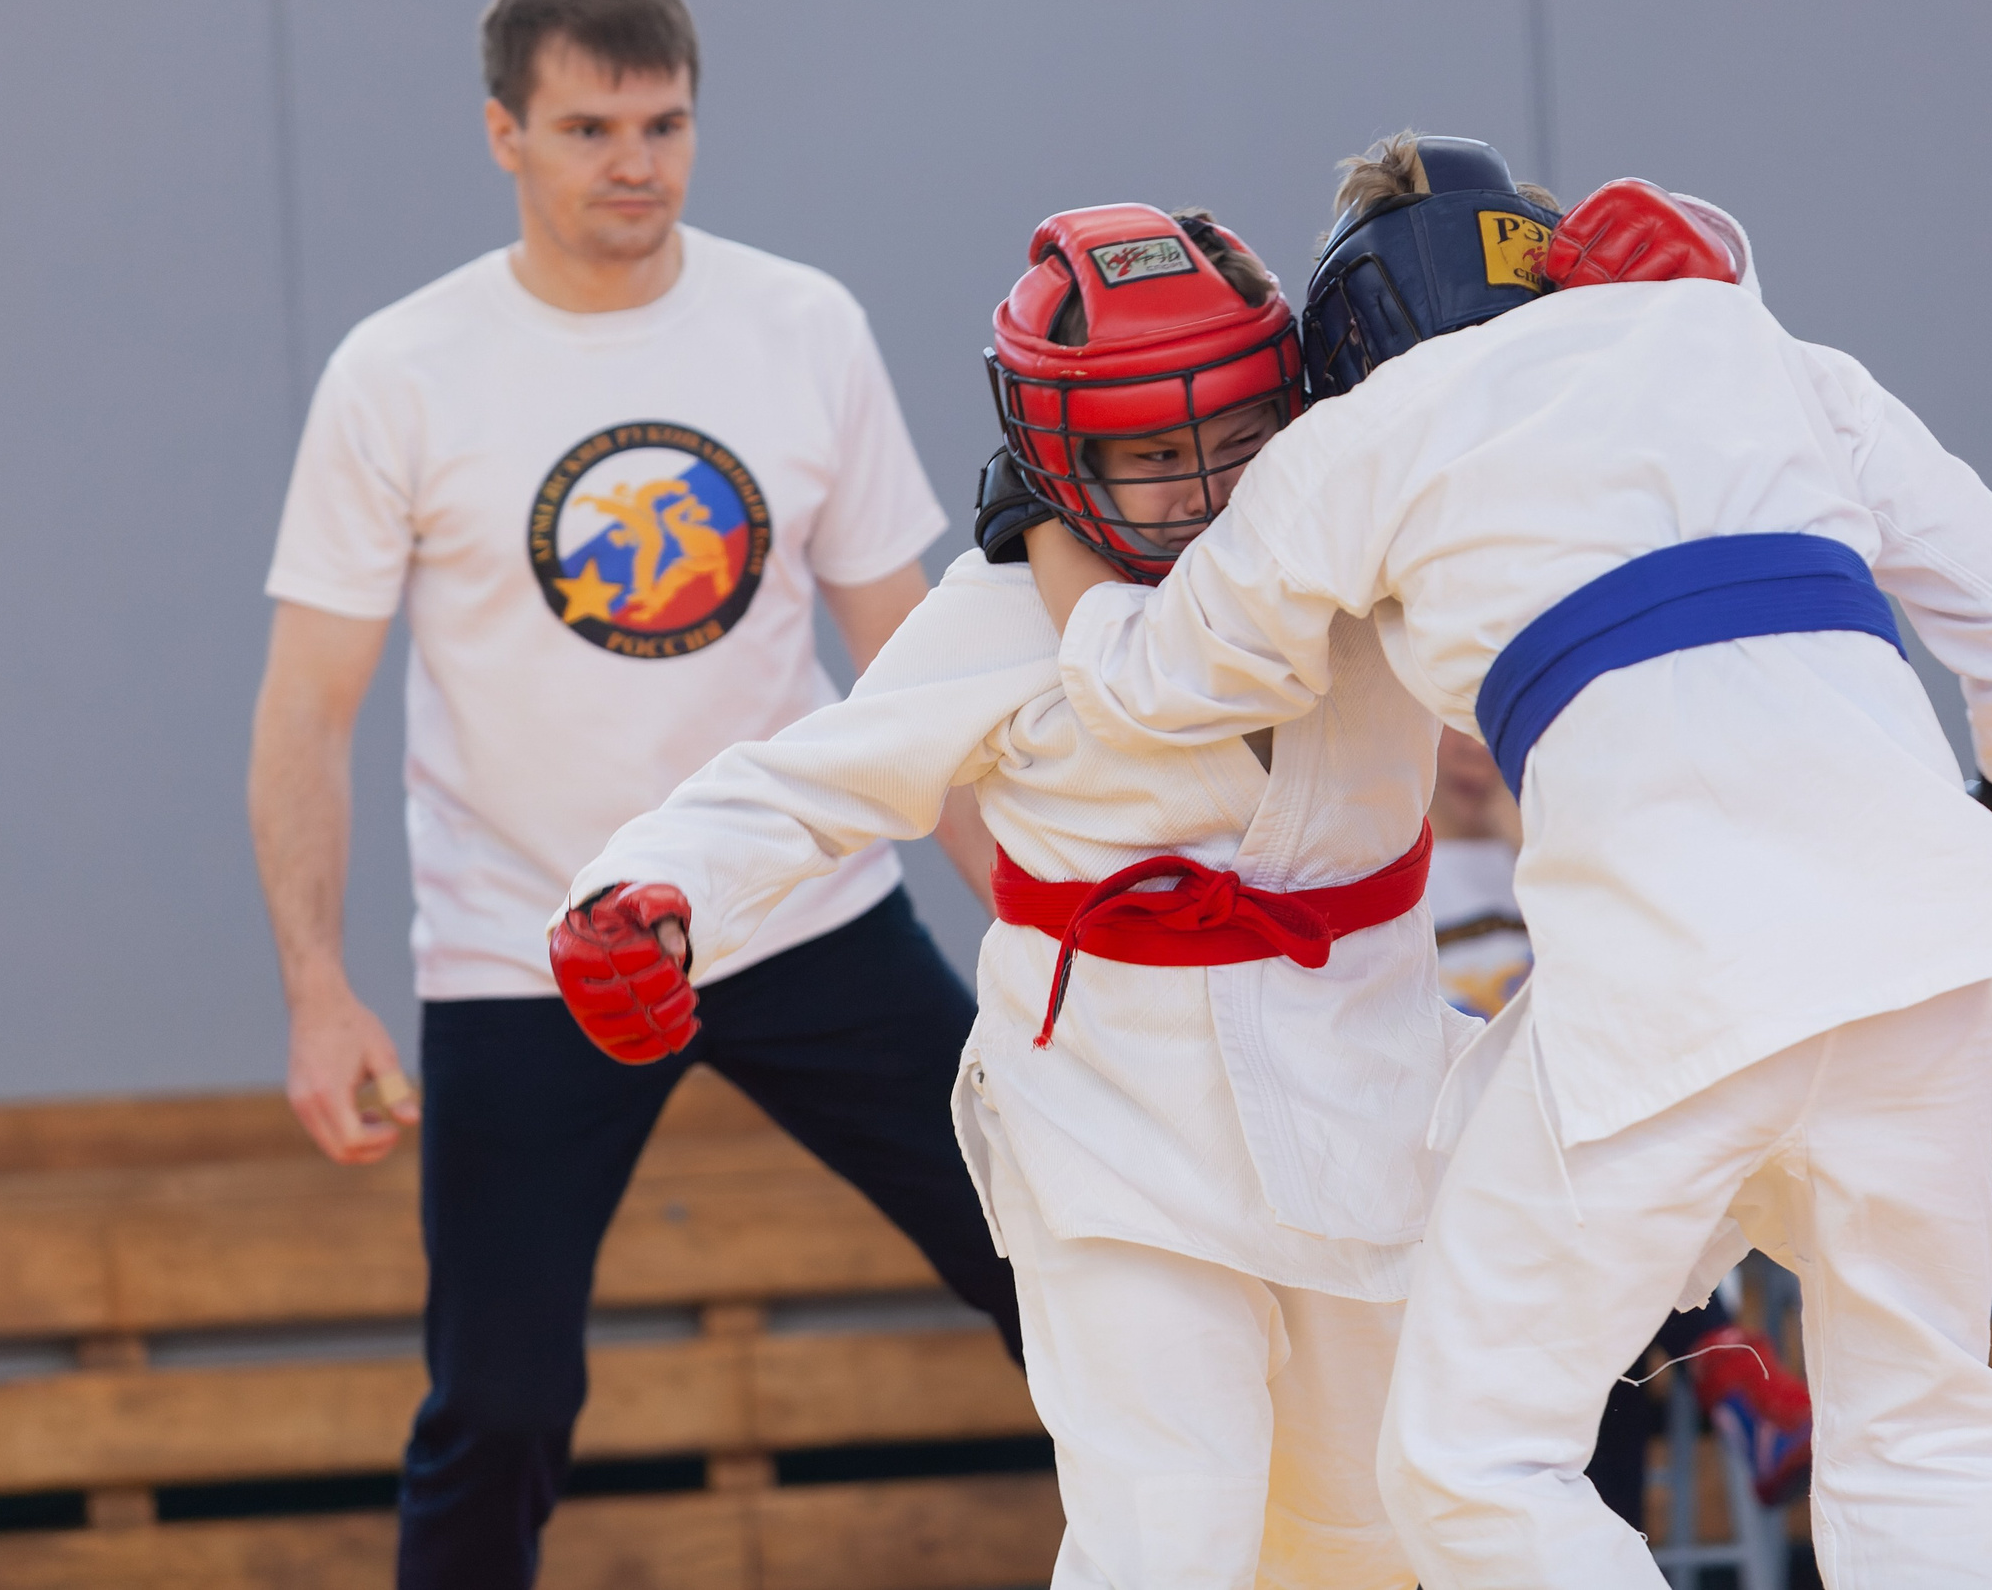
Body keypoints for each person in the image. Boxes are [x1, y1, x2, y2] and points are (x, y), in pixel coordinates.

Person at [1029, 133, 1992, 1586]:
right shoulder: (1767, 351)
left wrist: (1048, 535)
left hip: (1666, 983)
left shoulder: (1377, 428)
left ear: (1358, 333)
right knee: (1927, 1435)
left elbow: (1158, 687)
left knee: (1471, 1463)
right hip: (1923, 958)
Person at [546, 202, 1465, 1589]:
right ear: (1057, 456)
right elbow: (803, 782)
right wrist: (648, 890)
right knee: (1171, 1524)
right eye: (1152, 453)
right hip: (1111, 1129)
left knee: (1365, 1529)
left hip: (1373, 1101)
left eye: (1237, 436)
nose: (1205, 485)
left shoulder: (1379, 575)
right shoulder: (997, 616)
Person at [246, 0, 1017, 1590]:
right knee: (502, 1401)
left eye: (663, 124)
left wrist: (1044, 923)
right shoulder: (403, 371)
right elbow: (308, 704)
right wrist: (318, 987)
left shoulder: (799, 327)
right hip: (531, 945)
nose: (634, 163)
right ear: (502, 135)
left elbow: (913, 670)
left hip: (800, 912)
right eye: (588, 125)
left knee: (1055, 1266)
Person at [1426, 727, 1813, 1523]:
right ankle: (1726, 1362)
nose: (1468, 751)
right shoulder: (1398, 874)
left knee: (1606, 1235)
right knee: (1599, 1231)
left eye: (1480, 725)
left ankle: (1713, 1371)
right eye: (1443, 723)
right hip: (1455, 1160)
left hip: (1576, 1163)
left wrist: (1532, 850)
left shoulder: (1551, 868)